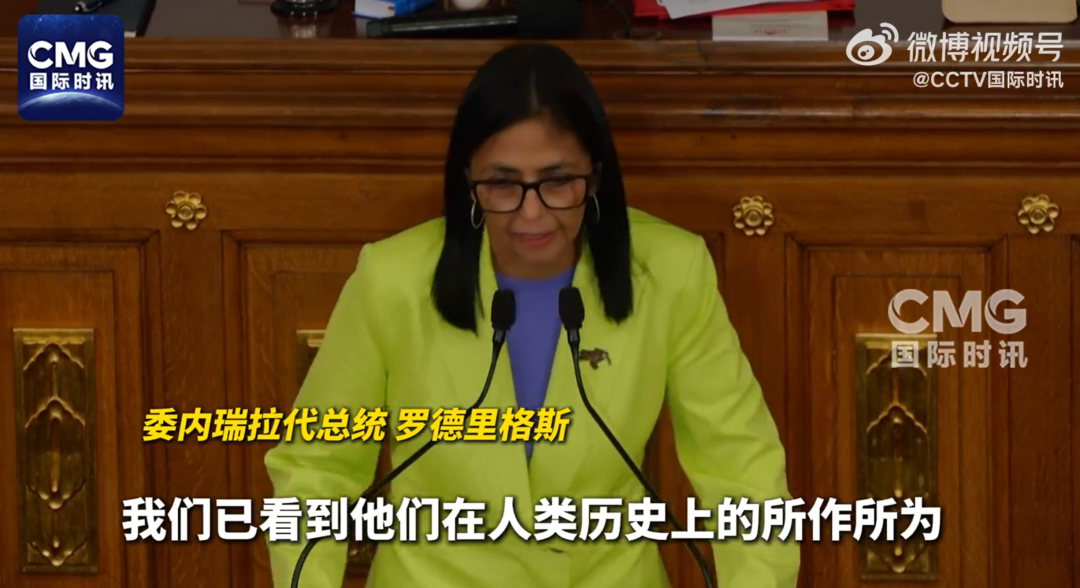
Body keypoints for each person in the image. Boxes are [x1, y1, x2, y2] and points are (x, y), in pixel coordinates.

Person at [264, 42, 799, 588]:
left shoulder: (671, 273)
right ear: (469, 182)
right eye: (503, 184)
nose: (532, 213)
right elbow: (316, 470)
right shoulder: (392, 281)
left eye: (557, 180)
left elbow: (742, 472)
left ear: (594, 176)